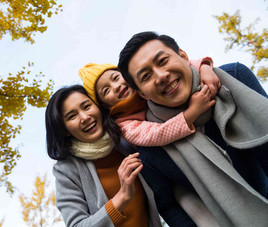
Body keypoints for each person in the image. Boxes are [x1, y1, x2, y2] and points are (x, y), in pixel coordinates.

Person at [118, 31, 268, 226]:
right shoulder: (151, 150)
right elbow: (170, 206)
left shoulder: (234, 78)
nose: (161, 76)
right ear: (142, 94)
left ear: (183, 56)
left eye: (163, 61)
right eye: (146, 76)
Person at [78, 60, 222, 226]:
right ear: (104, 104)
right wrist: (192, 113)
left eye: (116, 78)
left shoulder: (145, 85)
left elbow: (182, 64)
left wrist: (204, 67)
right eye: (106, 90)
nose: (116, 86)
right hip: (170, 169)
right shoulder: (123, 124)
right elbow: (155, 134)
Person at [45, 85, 162, 227]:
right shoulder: (66, 169)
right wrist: (123, 196)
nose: (84, 117)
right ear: (65, 130)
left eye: (87, 106)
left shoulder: (125, 141)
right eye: (72, 116)